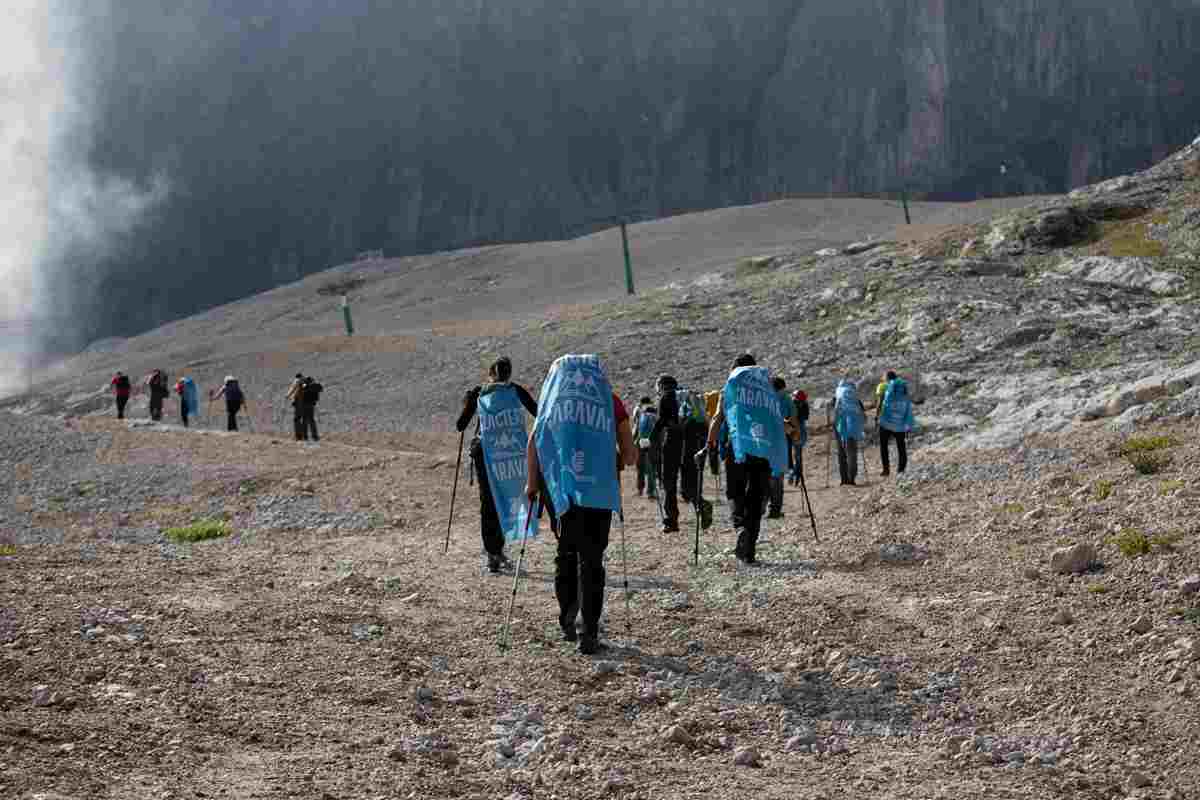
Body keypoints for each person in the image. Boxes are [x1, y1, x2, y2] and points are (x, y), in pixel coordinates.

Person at [525, 354, 636, 655]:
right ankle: (590, 631)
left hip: (562, 490)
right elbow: (628, 454)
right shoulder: (610, 401)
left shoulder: (553, 399)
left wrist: (532, 485)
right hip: (598, 489)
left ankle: (567, 618)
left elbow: (535, 442)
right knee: (592, 558)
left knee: (567, 550)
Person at [456, 356, 538, 574]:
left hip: (485, 455)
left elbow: (460, 425)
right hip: (511, 456)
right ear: (509, 373)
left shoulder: (480, 392)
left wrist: (468, 401)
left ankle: (492, 553)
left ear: (490, 373)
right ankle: (497, 550)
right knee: (507, 496)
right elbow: (538, 413)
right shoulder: (516, 391)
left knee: (488, 501)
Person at [705, 354, 787, 565]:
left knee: (735, 491)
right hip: (763, 449)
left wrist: (709, 445)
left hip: (738, 446)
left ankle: (740, 527)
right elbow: (777, 420)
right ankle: (749, 552)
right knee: (756, 496)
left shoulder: (730, 388)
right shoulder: (767, 390)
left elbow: (717, 418)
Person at [650, 376, 712, 533]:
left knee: (669, 483)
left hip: (673, 444)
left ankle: (671, 521)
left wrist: (649, 440)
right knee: (689, 484)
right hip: (692, 444)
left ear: (660, 386)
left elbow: (661, 422)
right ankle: (700, 504)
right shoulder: (690, 397)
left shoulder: (666, 397)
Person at [768, 376, 796, 519]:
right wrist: (795, 433)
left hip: (766, 441)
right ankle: (775, 509)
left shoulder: (766, 398)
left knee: (767, 475)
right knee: (778, 476)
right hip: (783, 438)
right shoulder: (787, 399)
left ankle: (766, 507)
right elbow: (793, 419)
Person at [878, 371, 916, 476]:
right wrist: (908, 424)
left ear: (888, 378)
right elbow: (908, 408)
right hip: (900, 424)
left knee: (883, 446)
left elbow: (884, 405)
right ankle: (901, 470)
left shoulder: (888, 388)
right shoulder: (904, 391)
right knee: (901, 446)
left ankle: (886, 470)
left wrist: (880, 418)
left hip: (887, 423)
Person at [833, 377, 866, 486]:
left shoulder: (838, 396)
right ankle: (852, 478)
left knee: (841, 453)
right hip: (854, 427)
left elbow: (834, 410)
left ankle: (844, 479)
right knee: (852, 453)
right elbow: (863, 415)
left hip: (840, 427)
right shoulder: (855, 398)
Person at [633, 397, 659, 499]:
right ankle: (650, 492)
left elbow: (636, 429)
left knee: (640, 467)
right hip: (652, 443)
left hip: (640, 442)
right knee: (651, 466)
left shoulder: (640, 412)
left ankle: (640, 489)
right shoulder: (654, 415)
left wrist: (634, 442)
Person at [789, 388, 810, 486]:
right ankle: (798, 475)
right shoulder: (805, 405)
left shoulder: (791, 404)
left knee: (792, 455)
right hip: (801, 431)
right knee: (798, 455)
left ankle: (794, 474)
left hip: (792, 430)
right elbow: (806, 417)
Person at [300, 376, 322, 441]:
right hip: (311, 405)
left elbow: (301, 388)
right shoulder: (315, 387)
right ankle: (314, 436)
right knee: (311, 421)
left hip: (304, 405)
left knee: (305, 421)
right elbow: (320, 389)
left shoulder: (305, 386)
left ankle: (305, 436)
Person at [287, 374, 306, 440]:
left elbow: (293, 388)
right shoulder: (305, 383)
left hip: (298, 402)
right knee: (302, 418)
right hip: (305, 403)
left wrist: (288, 395)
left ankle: (298, 436)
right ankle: (303, 435)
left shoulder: (297, 381)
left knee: (296, 419)